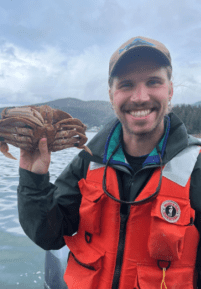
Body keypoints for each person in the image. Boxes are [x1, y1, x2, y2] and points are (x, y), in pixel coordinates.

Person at [17, 36, 201, 288]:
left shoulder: (196, 167)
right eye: (126, 84)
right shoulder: (88, 160)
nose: (140, 97)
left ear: (170, 90)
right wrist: (33, 179)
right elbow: (49, 236)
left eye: (153, 82)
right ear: (111, 94)